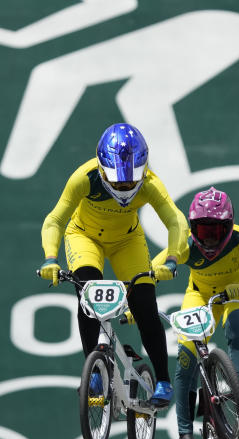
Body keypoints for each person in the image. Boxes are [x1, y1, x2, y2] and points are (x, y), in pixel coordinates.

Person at [37, 122, 189, 406]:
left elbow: (176, 221)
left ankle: (164, 380)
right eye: (118, 182)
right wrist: (50, 258)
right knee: (88, 294)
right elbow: (55, 220)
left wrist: (172, 258)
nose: (124, 188)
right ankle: (93, 371)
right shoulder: (85, 177)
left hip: (126, 242)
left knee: (145, 305)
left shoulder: (151, 183)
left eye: (131, 182)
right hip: (84, 237)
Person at [149, 186, 239, 439]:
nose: (209, 239)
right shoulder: (184, 245)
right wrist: (137, 305)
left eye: (215, 232)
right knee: (186, 356)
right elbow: (150, 274)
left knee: (237, 325)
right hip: (201, 295)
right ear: (192, 228)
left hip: (237, 293)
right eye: (203, 232)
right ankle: (184, 434)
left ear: (228, 227)